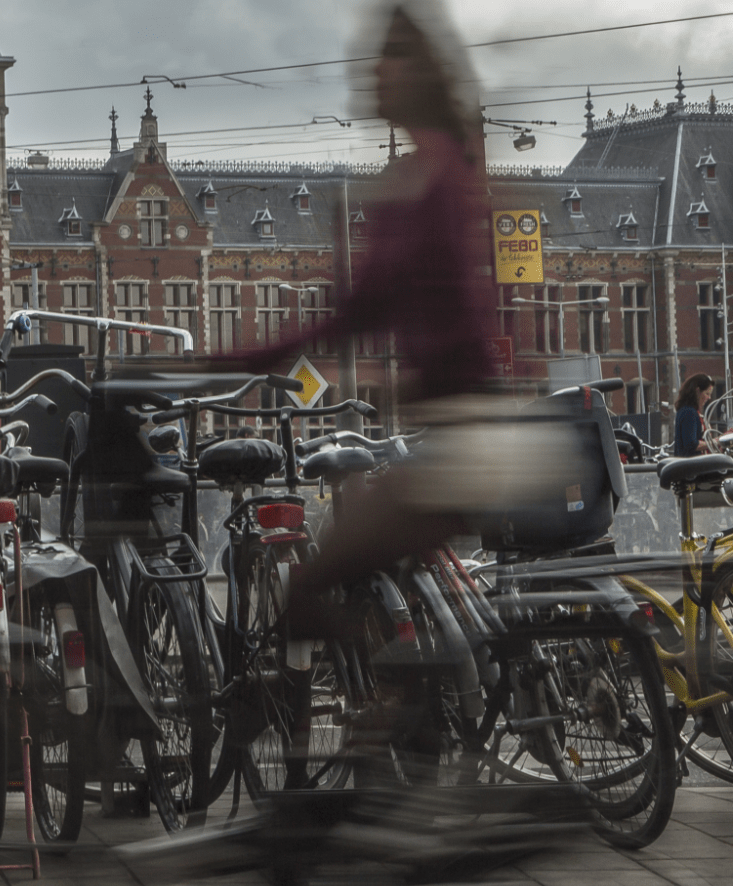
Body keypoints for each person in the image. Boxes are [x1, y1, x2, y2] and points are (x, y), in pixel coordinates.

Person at [222, 0, 558, 639]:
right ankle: (412, 711)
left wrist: (233, 361)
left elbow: (360, 312)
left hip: (465, 439)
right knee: (382, 589)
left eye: (384, 63)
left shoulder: (425, 180)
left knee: (313, 586)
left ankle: (406, 725)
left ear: (414, 77)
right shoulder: (431, 171)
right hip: (459, 432)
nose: (369, 76)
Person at [674, 374, 717, 456]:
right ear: (698, 392)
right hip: (692, 465)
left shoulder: (686, 410)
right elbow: (692, 444)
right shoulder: (689, 413)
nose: (709, 398)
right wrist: (718, 441)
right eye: (707, 394)